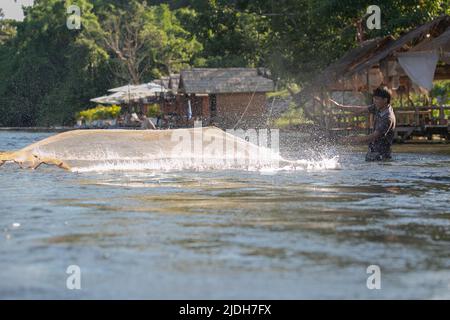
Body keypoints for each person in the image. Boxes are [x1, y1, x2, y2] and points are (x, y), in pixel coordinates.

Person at [318, 86, 396, 161]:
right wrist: (340, 107)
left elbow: (373, 137)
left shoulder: (387, 118)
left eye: (377, 99)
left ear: (385, 100)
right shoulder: (379, 107)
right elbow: (361, 109)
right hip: (373, 152)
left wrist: (350, 140)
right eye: (374, 99)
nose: (374, 101)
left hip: (380, 155)